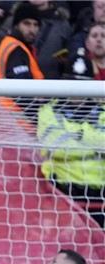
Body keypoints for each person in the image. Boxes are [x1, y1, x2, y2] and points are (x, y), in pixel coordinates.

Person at [36, 86, 105, 226]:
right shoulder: (48, 111)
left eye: (81, 84)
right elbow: (56, 146)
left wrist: (80, 133)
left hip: (100, 187)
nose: (76, 92)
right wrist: (91, 140)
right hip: (62, 186)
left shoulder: (101, 111)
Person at [0, 3, 45, 123]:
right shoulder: (16, 49)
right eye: (26, 23)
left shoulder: (14, 45)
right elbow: (22, 93)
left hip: (11, 119)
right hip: (19, 122)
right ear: (16, 25)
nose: (31, 29)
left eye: (35, 25)